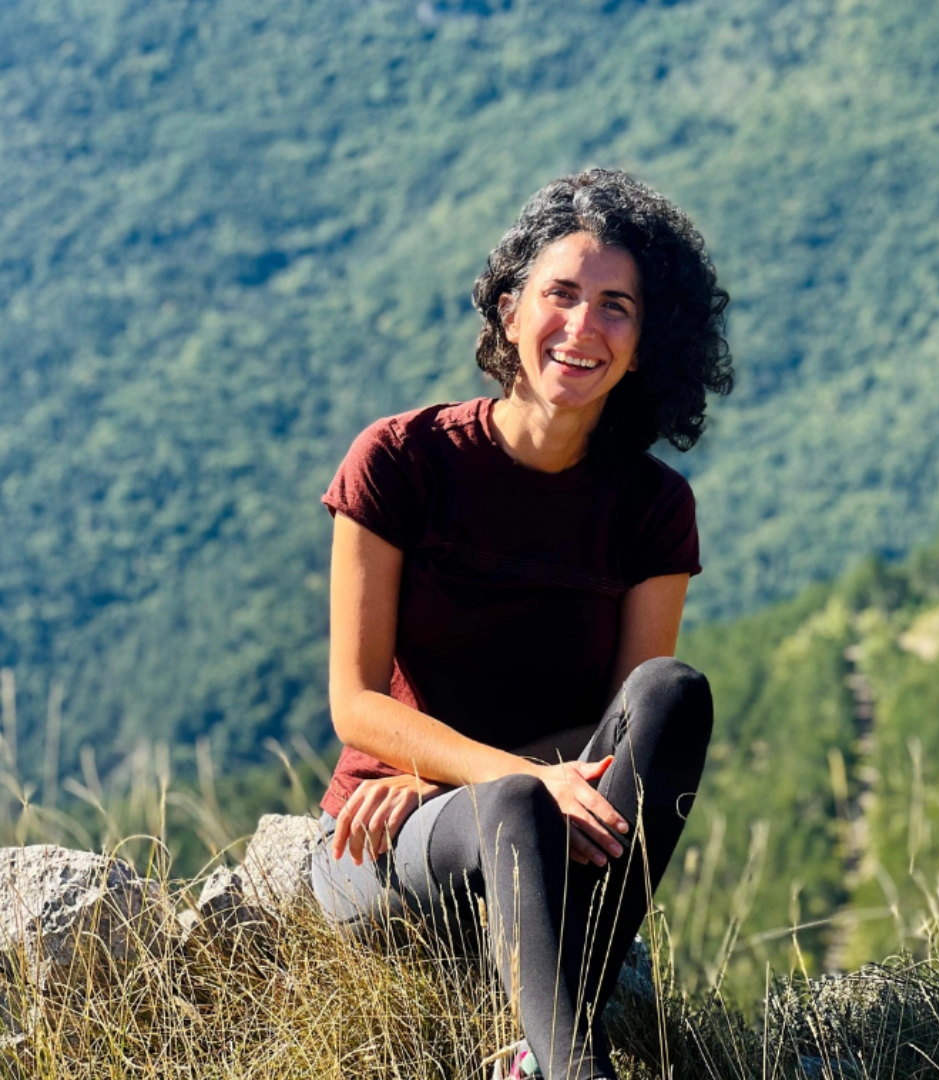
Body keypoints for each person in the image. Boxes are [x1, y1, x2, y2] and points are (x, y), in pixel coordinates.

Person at [310, 168, 733, 1080]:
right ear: (508, 310)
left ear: (644, 341)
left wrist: (532, 780)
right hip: (392, 837)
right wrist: (463, 780)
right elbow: (354, 704)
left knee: (672, 692)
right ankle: (571, 1065)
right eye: (561, 295)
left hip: (556, 846)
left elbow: (621, 728)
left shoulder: (653, 509)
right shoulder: (400, 461)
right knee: (510, 800)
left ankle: (540, 1049)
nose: (583, 328)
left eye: (616, 305)